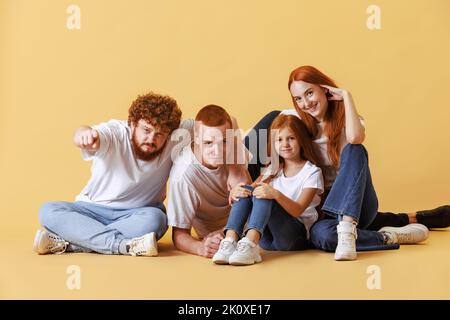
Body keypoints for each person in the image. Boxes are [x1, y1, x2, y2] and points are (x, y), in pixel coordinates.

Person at [246, 66, 448, 261]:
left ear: (325, 89)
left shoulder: (347, 120)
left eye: (310, 93)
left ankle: (348, 227)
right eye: (298, 98)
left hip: (355, 200)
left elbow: (355, 138)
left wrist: (346, 96)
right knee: (321, 237)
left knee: (354, 148)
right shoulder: (297, 119)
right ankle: (393, 232)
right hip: (323, 208)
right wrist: (248, 182)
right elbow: (266, 142)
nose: (305, 103)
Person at [33, 92, 191, 257]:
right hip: (90, 210)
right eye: (146, 130)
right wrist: (84, 134)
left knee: (157, 219)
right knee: (48, 210)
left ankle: (71, 244)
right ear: (132, 124)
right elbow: (87, 132)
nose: (151, 138)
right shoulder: (116, 132)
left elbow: (207, 125)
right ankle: (122, 246)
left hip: (137, 214)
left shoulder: (177, 137)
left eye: (160, 134)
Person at [213, 114, 324, 265]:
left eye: (291, 138)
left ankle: (250, 242)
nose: (285, 144)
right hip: (266, 241)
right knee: (248, 190)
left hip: (295, 238)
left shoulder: (312, 172)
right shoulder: (272, 169)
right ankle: (230, 240)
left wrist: (276, 194)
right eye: (279, 139)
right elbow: (250, 191)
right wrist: (235, 192)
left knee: (265, 193)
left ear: (301, 140)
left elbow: (298, 210)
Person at [167, 104, 250, 258]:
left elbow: (249, 198)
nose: (217, 152)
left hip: (246, 221)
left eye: (224, 142)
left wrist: (235, 167)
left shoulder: (231, 147)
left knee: (275, 121)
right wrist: (200, 248)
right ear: (197, 138)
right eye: (208, 143)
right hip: (216, 234)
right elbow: (179, 235)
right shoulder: (184, 175)